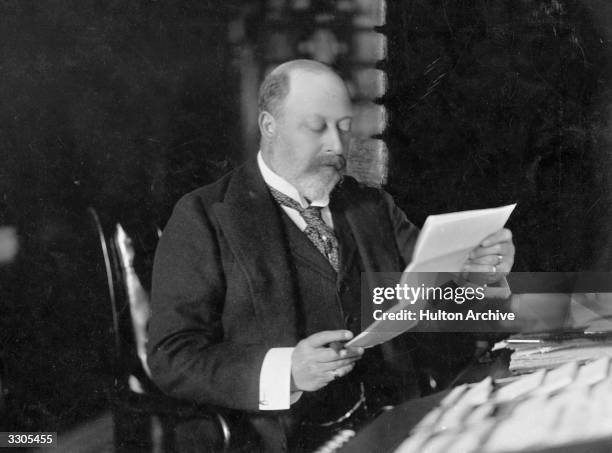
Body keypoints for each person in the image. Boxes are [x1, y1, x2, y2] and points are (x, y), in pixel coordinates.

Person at [147, 59, 515, 452]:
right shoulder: (204, 216)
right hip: (279, 439)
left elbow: (444, 306)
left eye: (343, 126)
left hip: (399, 427)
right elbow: (172, 356)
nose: (336, 146)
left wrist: (480, 276)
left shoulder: (371, 205)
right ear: (269, 126)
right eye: (316, 126)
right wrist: (287, 370)